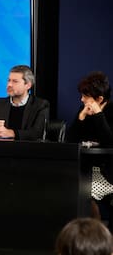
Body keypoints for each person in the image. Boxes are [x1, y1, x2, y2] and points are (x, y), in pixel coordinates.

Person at [66, 71, 113, 225]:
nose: (82, 99)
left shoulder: (111, 111)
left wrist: (99, 115)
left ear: (99, 99)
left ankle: (97, 237)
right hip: (85, 169)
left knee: (88, 193)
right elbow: (70, 140)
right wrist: (81, 117)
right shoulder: (83, 109)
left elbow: (110, 142)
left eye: (86, 97)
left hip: (107, 172)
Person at [0, 65, 49, 141]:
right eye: (9, 80)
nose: (9, 85)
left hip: (28, 150)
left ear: (28, 85)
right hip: (1, 149)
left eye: (15, 81)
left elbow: (37, 133)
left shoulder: (40, 105)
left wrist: (11, 133)